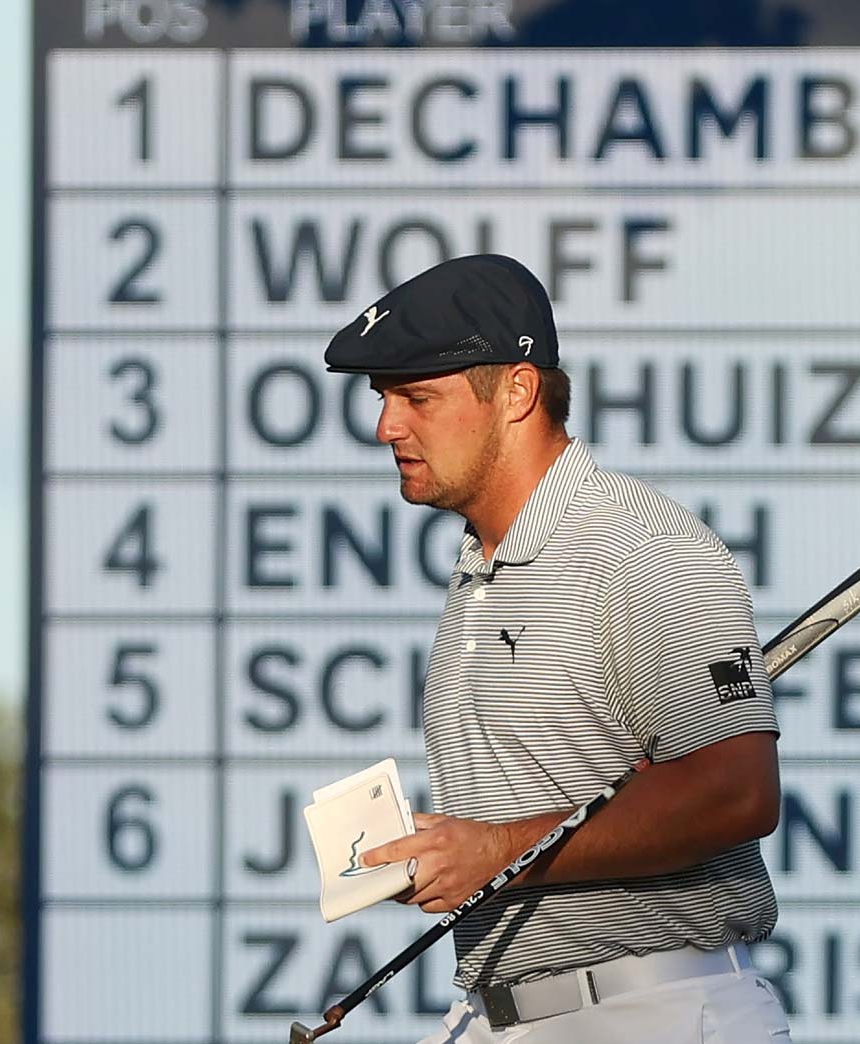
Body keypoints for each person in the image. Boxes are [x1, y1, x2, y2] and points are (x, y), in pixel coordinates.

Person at [322, 253, 792, 1044]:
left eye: (417, 397)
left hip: (656, 1014)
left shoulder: (643, 548)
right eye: (383, 398)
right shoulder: (481, 565)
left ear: (517, 390)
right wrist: (452, 853)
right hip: (498, 1018)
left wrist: (498, 849)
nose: (386, 426)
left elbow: (735, 792)